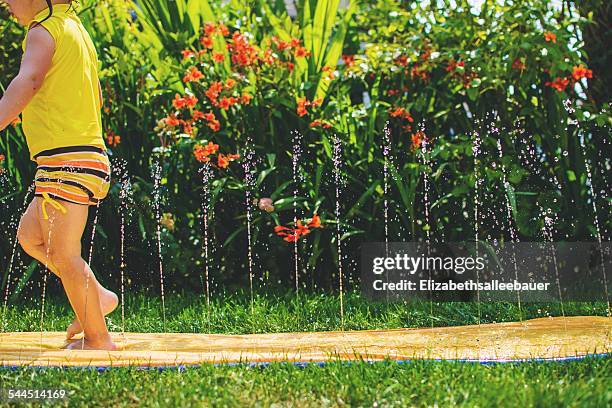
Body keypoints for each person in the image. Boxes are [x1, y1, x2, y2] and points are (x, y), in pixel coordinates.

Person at [0, 0, 118, 350]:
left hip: (65, 163)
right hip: (81, 159)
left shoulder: (43, 30)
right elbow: (94, 94)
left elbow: (29, 80)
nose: (4, 1)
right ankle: (97, 296)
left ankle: (98, 339)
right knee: (30, 236)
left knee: (65, 255)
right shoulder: (74, 29)